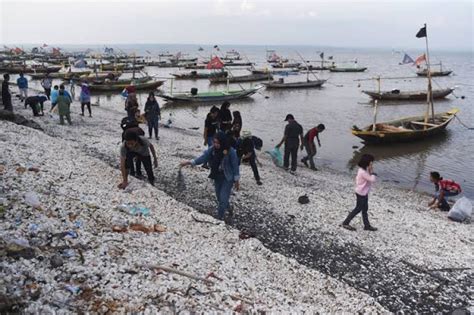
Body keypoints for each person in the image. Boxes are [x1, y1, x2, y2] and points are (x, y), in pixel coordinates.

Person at [180, 132, 240, 220]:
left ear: (222, 142)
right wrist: (189, 162)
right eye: (214, 142)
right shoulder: (212, 149)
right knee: (219, 197)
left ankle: (219, 218)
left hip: (227, 177)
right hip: (217, 176)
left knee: (223, 198)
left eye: (218, 143)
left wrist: (237, 181)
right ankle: (229, 208)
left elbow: (235, 166)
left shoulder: (231, 151)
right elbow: (203, 158)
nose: (216, 144)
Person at [341, 154, 378, 232]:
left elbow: (369, 177)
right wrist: (373, 173)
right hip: (361, 193)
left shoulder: (364, 169)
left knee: (365, 209)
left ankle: (367, 226)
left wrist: (370, 170)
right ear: (367, 162)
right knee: (358, 209)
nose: (372, 164)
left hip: (364, 193)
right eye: (371, 162)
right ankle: (345, 223)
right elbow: (372, 179)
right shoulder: (363, 172)